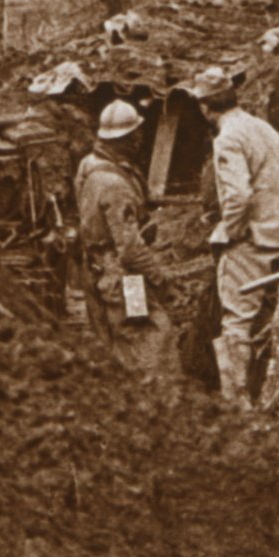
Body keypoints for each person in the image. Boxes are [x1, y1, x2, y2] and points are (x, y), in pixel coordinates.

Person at [190, 66, 279, 407]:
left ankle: (238, 405)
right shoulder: (263, 128)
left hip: (252, 242)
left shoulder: (228, 138)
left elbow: (238, 196)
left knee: (237, 323)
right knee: (275, 316)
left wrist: (231, 232)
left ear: (205, 107)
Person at [73, 99, 181, 381]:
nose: (139, 139)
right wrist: (160, 277)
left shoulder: (89, 165)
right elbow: (130, 250)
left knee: (113, 344)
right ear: (123, 139)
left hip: (95, 268)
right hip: (124, 278)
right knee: (151, 338)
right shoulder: (114, 184)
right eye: (134, 135)